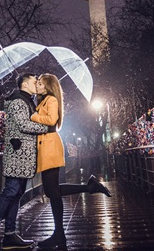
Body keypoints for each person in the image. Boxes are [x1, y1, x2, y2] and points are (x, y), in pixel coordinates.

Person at [31, 73, 111, 249]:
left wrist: (33, 116)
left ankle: (59, 235)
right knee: (52, 191)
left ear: (48, 86)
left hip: (50, 146)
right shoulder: (43, 101)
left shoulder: (51, 99)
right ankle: (59, 234)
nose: (37, 85)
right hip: (47, 146)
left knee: (53, 191)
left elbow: (51, 121)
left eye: (40, 83)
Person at [0, 73, 49, 251]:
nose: (37, 84)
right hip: (18, 154)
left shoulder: (27, 100)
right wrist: (48, 127)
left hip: (24, 155)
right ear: (25, 84)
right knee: (10, 191)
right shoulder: (18, 100)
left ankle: (10, 235)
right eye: (35, 82)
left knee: (17, 193)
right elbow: (24, 124)